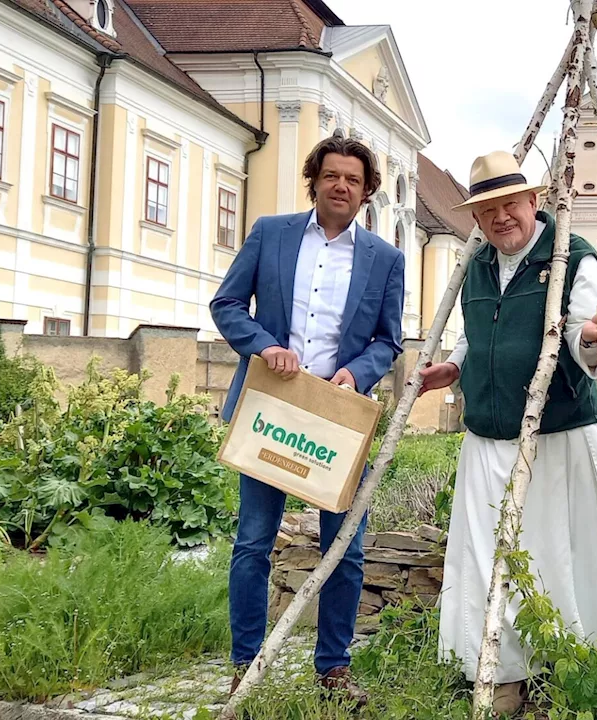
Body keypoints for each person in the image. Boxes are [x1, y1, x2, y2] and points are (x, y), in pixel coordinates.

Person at [418, 150, 597, 715]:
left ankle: (576, 667)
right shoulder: (477, 265)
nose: (501, 217)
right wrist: (454, 368)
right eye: (487, 209)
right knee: (489, 556)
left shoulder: (574, 260)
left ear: (534, 201)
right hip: (487, 437)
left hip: (557, 438)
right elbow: (474, 333)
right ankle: (501, 671)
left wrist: (593, 338)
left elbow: (586, 345)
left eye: (510, 203)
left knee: (562, 554)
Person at [210, 135, 406, 703]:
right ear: (314, 181)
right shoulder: (271, 233)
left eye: (352, 179)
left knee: (342, 547)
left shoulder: (386, 259)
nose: (341, 185)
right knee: (253, 542)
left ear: (367, 192)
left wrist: (355, 373)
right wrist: (265, 346)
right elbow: (226, 306)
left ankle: (334, 671)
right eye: (331, 176)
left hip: (337, 415)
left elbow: (388, 340)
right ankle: (244, 665)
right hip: (270, 407)